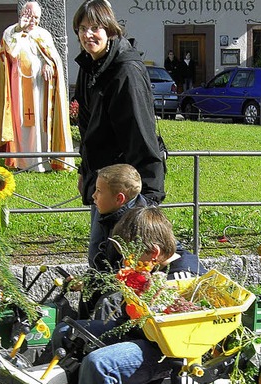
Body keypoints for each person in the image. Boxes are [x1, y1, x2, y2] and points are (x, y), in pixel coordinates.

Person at [48, 206, 204, 384]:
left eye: (129, 256)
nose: (125, 263)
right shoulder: (154, 267)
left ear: (154, 253)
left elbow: (189, 347)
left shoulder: (180, 281)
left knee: (101, 363)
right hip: (139, 333)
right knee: (67, 329)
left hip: (162, 354)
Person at [72, 0, 166, 269]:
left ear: (110, 30)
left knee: (114, 267)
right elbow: (90, 129)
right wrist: (84, 171)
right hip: (102, 183)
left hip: (127, 191)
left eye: (95, 28)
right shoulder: (91, 65)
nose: (88, 35)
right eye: (82, 28)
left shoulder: (126, 72)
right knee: (102, 262)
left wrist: (149, 198)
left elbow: (142, 136)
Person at [0, 1, 74, 172]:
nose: (33, 21)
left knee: (40, 125)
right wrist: (18, 30)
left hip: (40, 89)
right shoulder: (10, 32)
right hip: (19, 89)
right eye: (30, 17)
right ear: (23, 15)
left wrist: (49, 64)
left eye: (37, 18)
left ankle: (42, 161)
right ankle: (23, 162)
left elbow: (54, 59)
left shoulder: (43, 34)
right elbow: (10, 53)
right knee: (21, 124)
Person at [90, 163, 148, 271]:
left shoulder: (134, 227)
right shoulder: (114, 217)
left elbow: (121, 273)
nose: (94, 195)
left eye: (99, 191)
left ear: (119, 199)